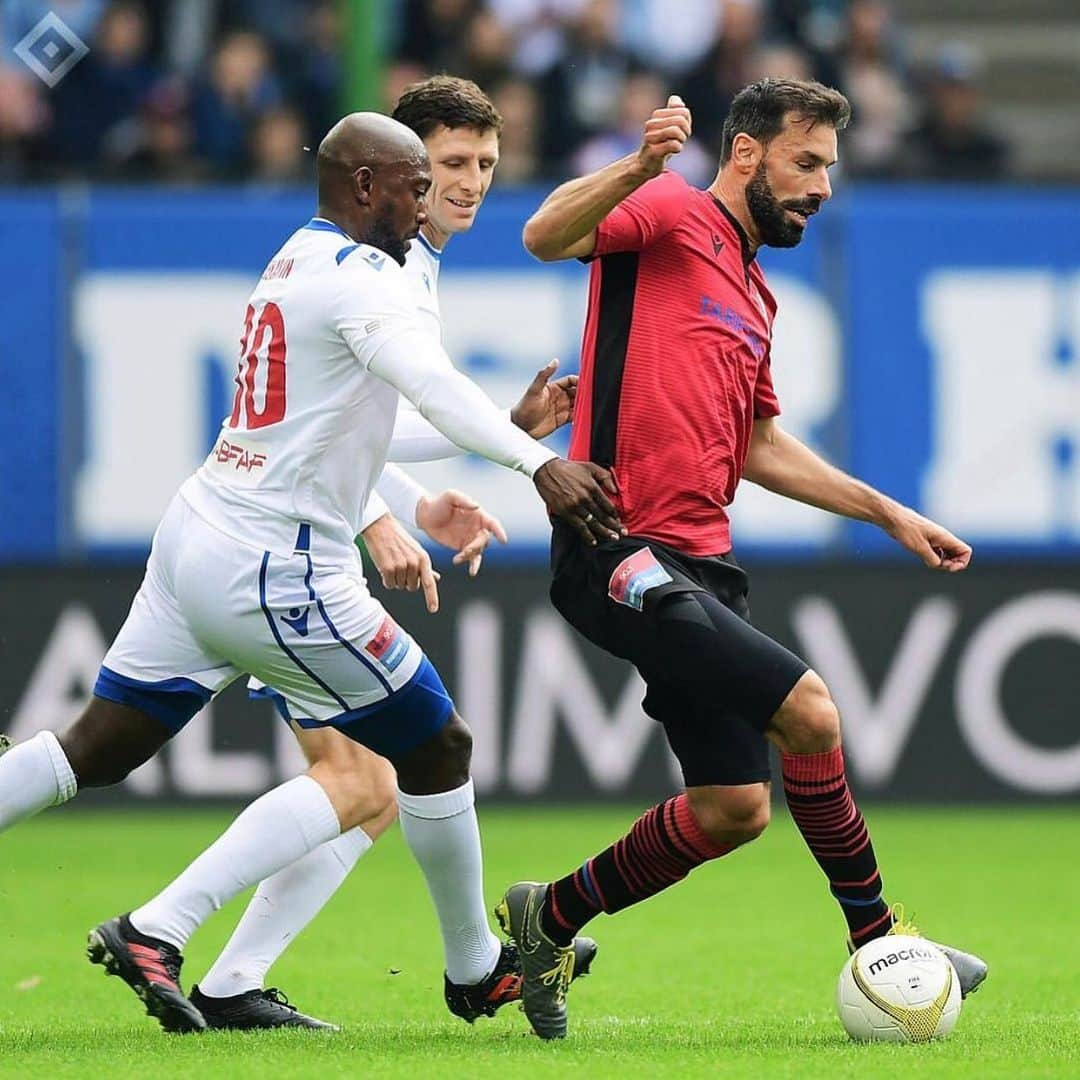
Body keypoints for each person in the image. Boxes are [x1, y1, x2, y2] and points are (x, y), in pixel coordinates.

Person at [0, 109, 623, 1035]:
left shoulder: (302, 256)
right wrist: (538, 464)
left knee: (98, 748)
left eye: (472, 166)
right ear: (365, 184)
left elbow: (347, 421)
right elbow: (430, 388)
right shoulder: (373, 276)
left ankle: (175, 939)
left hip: (203, 531)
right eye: (424, 176)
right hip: (276, 564)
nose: (440, 193)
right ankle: (474, 969)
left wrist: (476, 458)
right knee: (433, 746)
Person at [496, 78, 989, 1040]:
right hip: (615, 544)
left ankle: (545, 918)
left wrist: (887, 511)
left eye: (831, 170)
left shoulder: (754, 295)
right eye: (807, 164)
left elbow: (759, 444)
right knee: (809, 710)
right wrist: (640, 163)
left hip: (701, 566)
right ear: (750, 155)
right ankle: (882, 940)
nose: (823, 188)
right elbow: (544, 235)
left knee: (730, 811)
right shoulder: (671, 210)